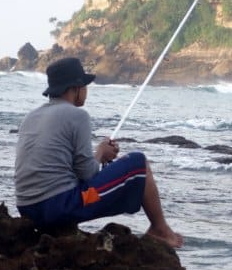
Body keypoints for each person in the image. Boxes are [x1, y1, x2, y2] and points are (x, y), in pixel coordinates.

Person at [15, 57, 183, 248]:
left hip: (27, 210)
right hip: (58, 208)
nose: (86, 91)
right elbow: (88, 174)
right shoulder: (77, 115)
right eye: (85, 85)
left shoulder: (30, 117)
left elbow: (60, 168)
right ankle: (160, 230)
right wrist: (100, 152)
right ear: (75, 88)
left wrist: (99, 155)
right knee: (138, 163)